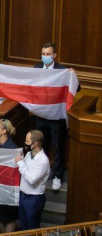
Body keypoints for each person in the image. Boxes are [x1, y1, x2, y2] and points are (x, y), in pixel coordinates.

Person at [34, 42, 75, 191]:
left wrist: (72, 75)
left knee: (58, 146)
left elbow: (77, 87)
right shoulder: (36, 68)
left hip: (56, 117)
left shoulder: (62, 70)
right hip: (40, 115)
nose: (45, 56)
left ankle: (57, 176)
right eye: (43, 54)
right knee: (40, 145)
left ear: (54, 55)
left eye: (48, 54)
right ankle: (42, 173)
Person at [16, 130, 50, 230]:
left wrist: (20, 163)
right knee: (23, 226)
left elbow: (32, 179)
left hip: (34, 199)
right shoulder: (28, 155)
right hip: (23, 195)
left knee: (32, 228)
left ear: (35, 144)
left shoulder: (43, 160)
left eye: (27, 141)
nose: (25, 143)